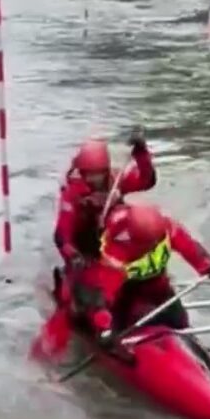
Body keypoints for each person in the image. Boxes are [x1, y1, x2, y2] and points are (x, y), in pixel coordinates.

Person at [86, 202, 210, 347]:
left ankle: (190, 348)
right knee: (134, 320)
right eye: (149, 243)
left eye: (156, 240)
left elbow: (188, 245)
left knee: (179, 319)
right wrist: (104, 327)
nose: (155, 245)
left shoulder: (166, 227)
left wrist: (208, 265)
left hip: (158, 286)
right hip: (126, 296)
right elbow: (103, 292)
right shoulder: (116, 253)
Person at [53, 128, 156, 307]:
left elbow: (146, 180)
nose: (93, 179)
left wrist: (141, 153)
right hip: (85, 250)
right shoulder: (72, 194)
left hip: (113, 244)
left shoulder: (115, 181)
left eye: (98, 173)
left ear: (105, 170)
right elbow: (62, 235)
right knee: (88, 293)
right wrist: (74, 256)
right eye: (88, 174)